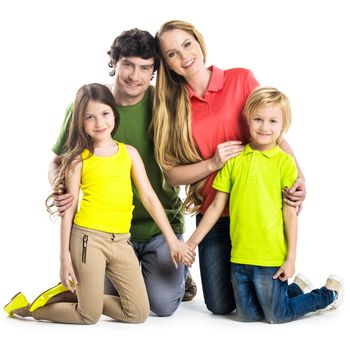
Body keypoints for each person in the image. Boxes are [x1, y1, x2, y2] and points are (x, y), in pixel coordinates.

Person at [33, 29, 196, 317]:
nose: (135, 75)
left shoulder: (163, 105)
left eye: (145, 68)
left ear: (154, 70)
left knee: (161, 306)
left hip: (158, 226)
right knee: (103, 298)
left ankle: (177, 277)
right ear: (115, 62)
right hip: (104, 229)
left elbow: (153, 188)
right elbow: (58, 162)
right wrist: (61, 191)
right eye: (128, 65)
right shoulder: (89, 106)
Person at [4, 83, 194, 324]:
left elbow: (149, 198)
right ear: (80, 122)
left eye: (104, 114)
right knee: (88, 315)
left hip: (121, 241)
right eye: (89, 117)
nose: (99, 123)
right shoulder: (78, 160)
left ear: (114, 113)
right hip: (88, 240)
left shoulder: (129, 153)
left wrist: (172, 241)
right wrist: (64, 259)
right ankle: (30, 309)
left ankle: (79, 296)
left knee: (138, 313)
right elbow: (68, 210)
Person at [152, 20, 307, 315]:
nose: (184, 56)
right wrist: (212, 163)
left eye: (187, 44)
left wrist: (300, 176)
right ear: (167, 65)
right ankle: (277, 293)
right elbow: (171, 174)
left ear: (198, 41)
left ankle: (289, 291)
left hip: (258, 211)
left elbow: (275, 133)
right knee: (221, 306)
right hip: (214, 211)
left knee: (261, 297)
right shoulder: (171, 106)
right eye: (172, 54)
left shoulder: (241, 79)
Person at [180, 86, 343, 323]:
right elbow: (216, 207)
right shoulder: (234, 161)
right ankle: (294, 289)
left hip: (270, 258)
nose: (265, 127)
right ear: (247, 120)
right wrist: (193, 242)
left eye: (272, 121)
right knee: (247, 316)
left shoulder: (285, 164)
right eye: (258, 119)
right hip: (240, 257)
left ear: (283, 126)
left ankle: (328, 294)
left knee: (277, 314)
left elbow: (290, 215)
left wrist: (291, 258)